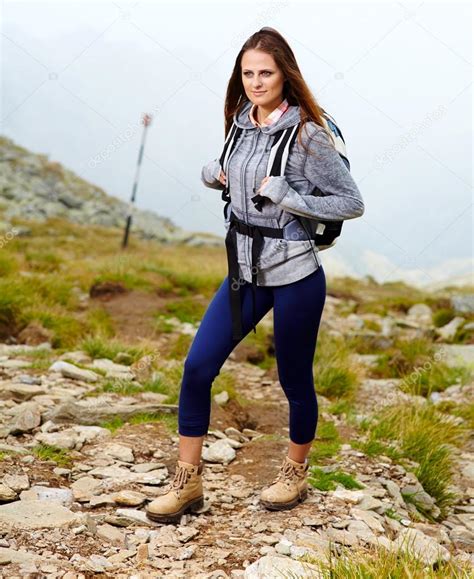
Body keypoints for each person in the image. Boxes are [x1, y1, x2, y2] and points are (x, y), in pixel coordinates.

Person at [146, 27, 365, 523]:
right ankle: (188, 483)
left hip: (295, 275)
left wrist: (290, 196)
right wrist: (212, 171)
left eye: (265, 73)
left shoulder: (309, 133)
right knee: (197, 367)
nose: (256, 82)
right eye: (248, 73)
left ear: (285, 75)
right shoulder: (240, 122)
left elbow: (352, 202)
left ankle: (294, 472)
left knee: (293, 379)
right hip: (243, 270)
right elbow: (227, 169)